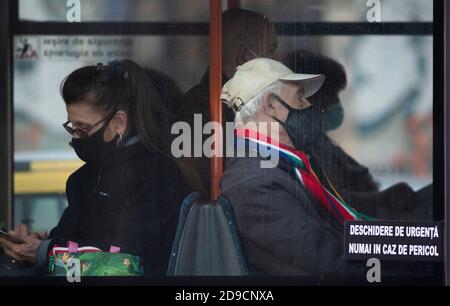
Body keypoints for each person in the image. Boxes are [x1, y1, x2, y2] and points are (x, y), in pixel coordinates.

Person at [219, 58, 431, 277]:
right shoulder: (254, 184)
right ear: (271, 105)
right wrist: (413, 263)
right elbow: (333, 263)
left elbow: (335, 219)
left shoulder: (281, 163)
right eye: (299, 98)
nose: (309, 106)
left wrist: (409, 239)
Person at [0, 60, 195, 276]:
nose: (75, 137)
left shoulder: (158, 177)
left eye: (83, 128)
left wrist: (43, 252)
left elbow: (124, 266)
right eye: (72, 127)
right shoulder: (83, 178)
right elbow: (71, 239)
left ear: (119, 123)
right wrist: (38, 243)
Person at [285, 49, 432, 220]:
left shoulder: (319, 140)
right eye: (332, 96)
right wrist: (383, 199)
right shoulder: (300, 145)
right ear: (309, 98)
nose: (336, 104)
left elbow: (359, 177)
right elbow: (333, 199)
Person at [176, 8, 279, 192]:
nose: (278, 61)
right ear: (244, 57)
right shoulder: (204, 113)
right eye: (271, 52)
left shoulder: (243, 106)